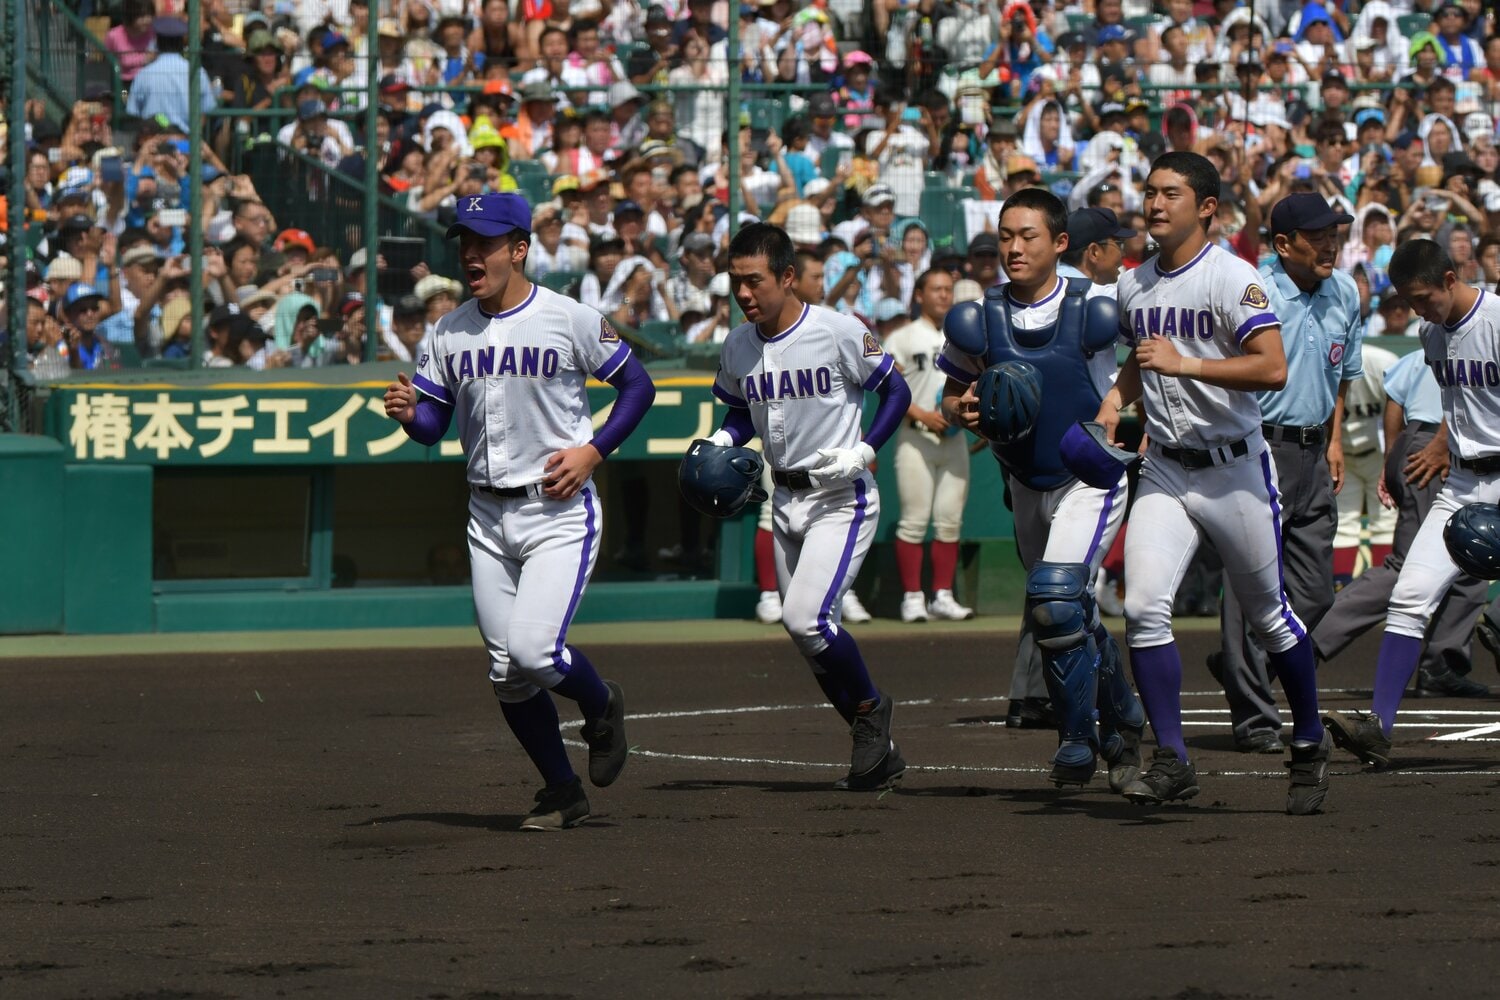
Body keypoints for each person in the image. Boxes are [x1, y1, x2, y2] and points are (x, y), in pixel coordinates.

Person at [383, 193, 657, 831]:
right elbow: (431, 424)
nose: (472, 254)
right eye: (464, 242)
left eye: (485, 241)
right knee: (506, 673)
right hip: (486, 516)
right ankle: (562, 791)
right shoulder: (449, 330)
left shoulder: (568, 318)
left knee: (535, 651)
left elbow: (638, 386)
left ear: (519, 248)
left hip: (556, 509)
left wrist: (594, 450)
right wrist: (407, 416)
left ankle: (600, 703)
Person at [1095, 152, 1330, 814]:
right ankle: (1172, 757)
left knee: (1270, 619)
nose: (1154, 203)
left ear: (1206, 208)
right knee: (1142, 606)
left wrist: (1186, 362)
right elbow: (1143, 359)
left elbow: (1273, 367)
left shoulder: (1235, 277)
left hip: (1236, 470)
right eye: (1149, 192)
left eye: (1171, 193)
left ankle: (1310, 740)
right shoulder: (1134, 283)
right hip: (1167, 465)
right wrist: (1117, 397)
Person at [940, 188, 1145, 789]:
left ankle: (1078, 738)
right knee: (1065, 612)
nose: (1013, 247)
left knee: (1056, 598)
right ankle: (1123, 714)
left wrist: (1138, 416)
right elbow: (950, 396)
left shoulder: (1100, 306)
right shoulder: (980, 316)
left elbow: (1151, 359)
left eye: (1027, 236)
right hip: (1024, 480)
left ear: (1059, 243)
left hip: (1090, 474)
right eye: (1005, 236)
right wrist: (962, 409)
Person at [703, 222, 912, 790]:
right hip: (785, 496)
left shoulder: (837, 330)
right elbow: (740, 410)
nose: (744, 294)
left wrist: (865, 450)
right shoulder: (739, 343)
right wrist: (725, 441)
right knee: (809, 638)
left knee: (805, 618)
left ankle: (871, 709)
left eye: (755, 281)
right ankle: (879, 750)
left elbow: (897, 390)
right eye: (736, 282)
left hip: (840, 496)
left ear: (788, 277)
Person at [1324, 240, 1500, 768]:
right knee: (1409, 595)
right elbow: (1459, 399)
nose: (1419, 310)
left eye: (1425, 297)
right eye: (1409, 300)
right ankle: (1377, 728)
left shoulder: (1495, 320)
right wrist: (1446, 439)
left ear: (1451, 278)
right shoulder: (1431, 333)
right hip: (1464, 482)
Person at [1206, 193, 1363, 754]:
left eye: (1334, 232)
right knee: (1252, 585)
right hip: (1260, 447)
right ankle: (1253, 718)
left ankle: (1239, 667)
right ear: (1282, 245)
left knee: (1316, 592)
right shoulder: (1258, 290)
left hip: (1315, 451)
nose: (1330, 243)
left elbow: (1344, 373)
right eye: (1317, 234)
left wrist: (1336, 438)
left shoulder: (1345, 289)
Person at [1313, 348, 1492, 698]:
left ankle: (1442, 665)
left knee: (1471, 566)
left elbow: (1395, 398)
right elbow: (1459, 401)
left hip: (1416, 439)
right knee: (1408, 566)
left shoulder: (1428, 346)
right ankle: (1299, 645)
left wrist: (1393, 457)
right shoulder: (1473, 338)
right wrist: (1441, 443)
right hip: (1441, 447)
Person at [886, 267, 974, 623]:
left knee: (950, 521)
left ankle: (942, 595)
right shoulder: (903, 337)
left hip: (953, 440)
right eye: (936, 289)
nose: (943, 295)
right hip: (916, 438)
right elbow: (888, 389)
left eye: (948, 289)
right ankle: (911, 597)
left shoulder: (964, 337)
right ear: (919, 295)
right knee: (914, 521)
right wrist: (922, 414)